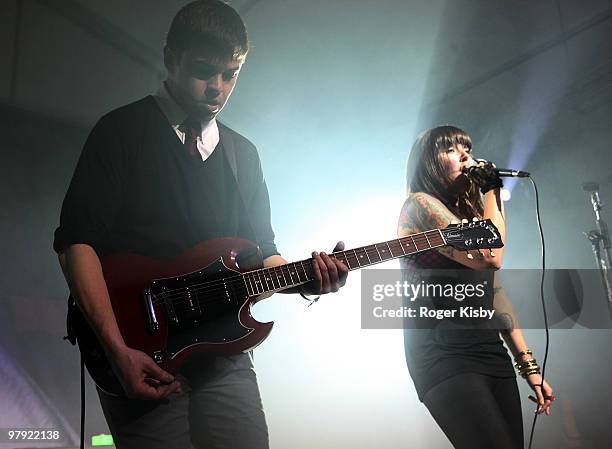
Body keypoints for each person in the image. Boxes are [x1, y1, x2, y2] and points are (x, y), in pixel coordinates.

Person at [53, 1, 348, 448]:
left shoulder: (242, 154)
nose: (217, 88)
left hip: (224, 353)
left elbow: (262, 256)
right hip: (137, 347)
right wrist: (117, 351)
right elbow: (77, 242)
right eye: (204, 71)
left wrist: (308, 279)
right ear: (171, 58)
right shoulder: (121, 131)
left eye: (230, 74)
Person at [397, 125, 553, 449]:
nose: (466, 154)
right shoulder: (419, 206)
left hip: (489, 350)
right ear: (429, 162)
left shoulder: (469, 215)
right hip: (442, 353)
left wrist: (528, 366)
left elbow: (496, 295)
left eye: (466, 146)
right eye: (451, 149)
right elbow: (491, 256)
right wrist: (492, 190)